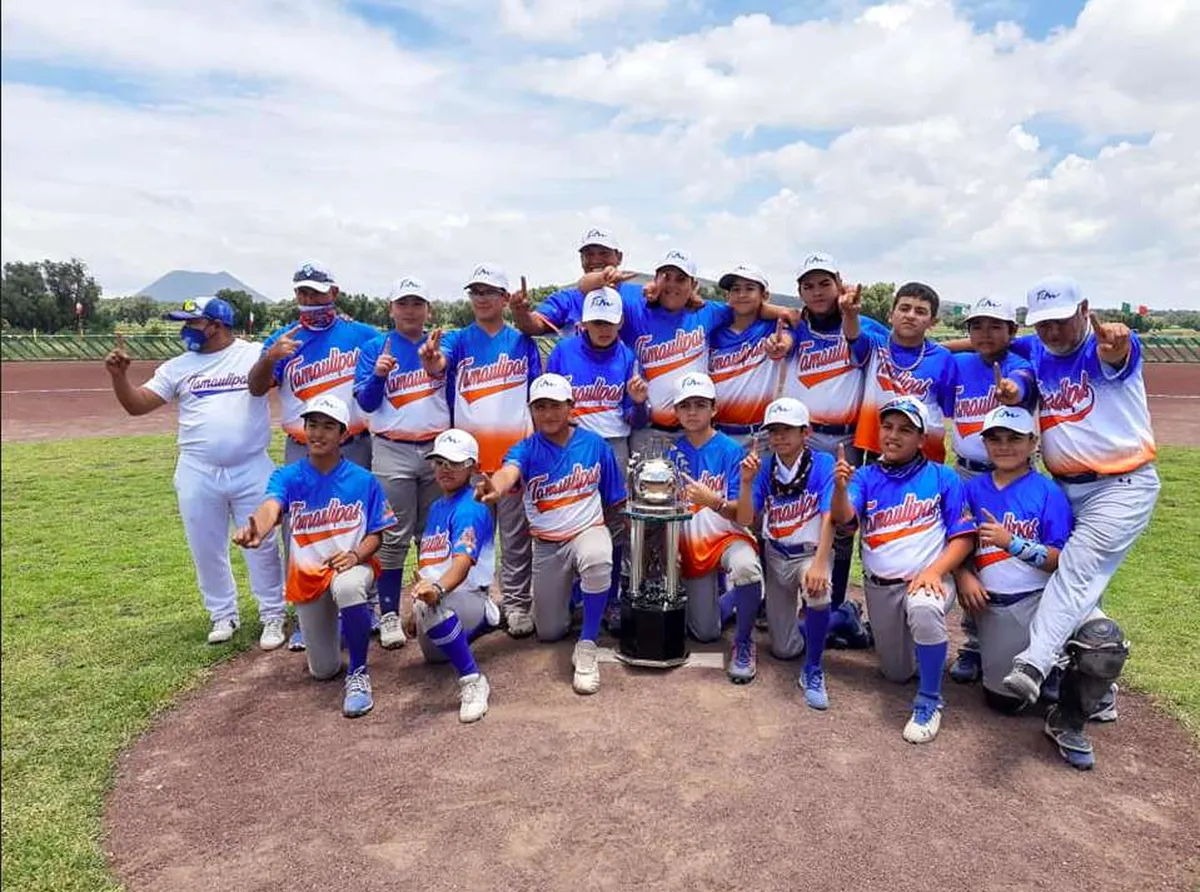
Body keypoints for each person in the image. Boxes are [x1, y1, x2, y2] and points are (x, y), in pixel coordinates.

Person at [993, 276, 1151, 744]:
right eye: (1043, 325)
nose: (1053, 332)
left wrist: (1118, 345)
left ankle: (1035, 663)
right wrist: (1015, 390)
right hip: (1065, 490)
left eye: (1061, 321)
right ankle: (1095, 689)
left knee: (1076, 572)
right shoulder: (1039, 350)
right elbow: (1011, 355)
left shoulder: (1105, 347)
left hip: (1120, 486)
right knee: (1077, 594)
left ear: (1084, 309)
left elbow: (1118, 356)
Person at [104, 297, 286, 649]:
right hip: (197, 469)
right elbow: (137, 405)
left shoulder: (252, 354)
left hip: (251, 465)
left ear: (216, 325)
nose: (185, 330)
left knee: (261, 542)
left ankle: (273, 614)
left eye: (192, 323)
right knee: (206, 546)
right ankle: (223, 614)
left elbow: (270, 380)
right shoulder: (178, 367)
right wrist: (119, 377)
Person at [952, 406, 1114, 769]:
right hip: (996, 605)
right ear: (985, 443)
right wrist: (964, 575)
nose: (1004, 446)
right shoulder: (971, 489)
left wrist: (1013, 543)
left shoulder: (1048, 492)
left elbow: (1059, 559)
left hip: (1042, 599)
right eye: (995, 438)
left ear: (1033, 444)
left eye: (1014, 439)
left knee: (1104, 638)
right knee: (1004, 702)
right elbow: (958, 542)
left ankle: (1066, 673)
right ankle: (1039, 663)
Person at [233, 395, 396, 718]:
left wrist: (355, 554)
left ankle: (359, 674)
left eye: (327, 426)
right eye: (312, 425)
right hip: (308, 577)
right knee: (322, 670)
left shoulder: (363, 480)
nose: (317, 434)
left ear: (343, 434)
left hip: (351, 567)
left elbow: (378, 533)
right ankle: (340, 626)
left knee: (348, 587)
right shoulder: (288, 476)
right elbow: (271, 507)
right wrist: (258, 529)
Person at [248, 261, 381, 651]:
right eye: (302, 293)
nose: (309, 300)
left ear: (334, 293)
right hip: (302, 445)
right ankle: (310, 611)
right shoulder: (283, 339)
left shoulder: (361, 334)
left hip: (356, 441)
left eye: (316, 293)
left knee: (358, 523)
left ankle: (364, 605)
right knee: (303, 528)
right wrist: (270, 357)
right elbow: (257, 388)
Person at [831, 396, 976, 743]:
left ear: (922, 438)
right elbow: (844, 520)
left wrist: (934, 571)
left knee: (925, 609)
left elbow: (963, 538)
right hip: (880, 586)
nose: (893, 435)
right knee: (897, 673)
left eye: (905, 429)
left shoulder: (943, 477)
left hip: (927, 580)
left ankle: (929, 701)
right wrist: (838, 489)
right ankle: (859, 620)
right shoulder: (865, 476)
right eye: (888, 426)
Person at [474, 374, 627, 694]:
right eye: (540, 407)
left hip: (588, 532)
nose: (548, 414)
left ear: (571, 407)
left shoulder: (595, 444)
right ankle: (572, 598)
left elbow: (614, 500)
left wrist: (615, 539)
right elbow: (508, 473)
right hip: (547, 547)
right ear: (531, 410)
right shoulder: (526, 448)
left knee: (598, 556)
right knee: (550, 631)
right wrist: (496, 487)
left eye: (556, 405)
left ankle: (587, 643)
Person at [418, 264, 542, 637]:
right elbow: (439, 363)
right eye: (475, 292)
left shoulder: (522, 342)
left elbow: (535, 394)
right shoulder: (459, 339)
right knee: (473, 535)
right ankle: (480, 601)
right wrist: (431, 360)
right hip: (467, 461)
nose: (481, 299)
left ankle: (518, 603)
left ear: (505, 299)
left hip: (512, 459)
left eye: (489, 292)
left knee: (516, 537)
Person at [783, 253, 885, 648]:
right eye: (808, 285)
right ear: (800, 292)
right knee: (792, 516)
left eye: (824, 283)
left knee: (842, 525)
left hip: (845, 439)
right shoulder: (791, 326)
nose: (816, 292)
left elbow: (913, 343)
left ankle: (836, 607)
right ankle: (782, 603)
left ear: (840, 283)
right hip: (800, 436)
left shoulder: (864, 326)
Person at [944, 295, 1038, 685]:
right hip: (966, 473)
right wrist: (962, 345)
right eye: (977, 326)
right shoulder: (961, 363)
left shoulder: (1020, 364)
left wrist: (1010, 392)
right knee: (970, 551)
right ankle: (973, 642)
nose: (985, 334)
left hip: (1013, 473)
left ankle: (1023, 642)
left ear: (1012, 331)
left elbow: (1021, 385)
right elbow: (931, 353)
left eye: (995, 326)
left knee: (1006, 555)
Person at [546, 287, 650, 630]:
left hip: (614, 444)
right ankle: (578, 591)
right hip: (572, 443)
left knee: (616, 521)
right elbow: (547, 403)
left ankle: (612, 599)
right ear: (584, 323)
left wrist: (636, 403)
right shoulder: (563, 352)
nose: (603, 328)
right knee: (572, 514)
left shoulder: (628, 356)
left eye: (609, 322)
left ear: (620, 321)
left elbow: (637, 420)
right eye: (596, 322)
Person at [354, 276, 448, 649]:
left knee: (433, 534)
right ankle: (391, 612)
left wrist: (436, 363)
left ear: (429, 309)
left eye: (417, 304)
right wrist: (379, 375)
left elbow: (447, 376)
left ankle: (430, 605)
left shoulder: (441, 343)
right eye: (403, 303)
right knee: (392, 537)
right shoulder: (374, 347)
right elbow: (366, 404)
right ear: (391, 308)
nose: (411, 310)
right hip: (391, 448)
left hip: (437, 449)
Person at [665, 373, 764, 684]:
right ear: (676, 412)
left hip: (725, 538)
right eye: (685, 406)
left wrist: (714, 501)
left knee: (747, 568)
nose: (692, 412)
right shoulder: (670, 453)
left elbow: (745, 516)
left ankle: (745, 641)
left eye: (700, 405)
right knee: (705, 633)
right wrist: (668, 551)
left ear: (714, 409)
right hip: (688, 545)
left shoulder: (731, 451)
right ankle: (733, 601)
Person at [743, 398, 837, 709]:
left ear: (805, 432)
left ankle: (813, 669)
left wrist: (821, 564)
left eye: (787, 430)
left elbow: (828, 517)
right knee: (783, 649)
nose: (779, 437)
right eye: (774, 431)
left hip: (808, 553)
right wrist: (745, 484)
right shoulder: (764, 467)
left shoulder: (822, 463)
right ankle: (840, 620)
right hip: (775, 554)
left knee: (818, 592)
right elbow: (745, 518)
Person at [410, 429, 499, 723]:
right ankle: (478, 625)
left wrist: (434, 592)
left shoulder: (471, 507)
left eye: (454, 462)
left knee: (431, 610)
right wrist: (414, 607)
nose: (444, 468)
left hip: (467, 593)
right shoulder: (436, 507)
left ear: (473, 466)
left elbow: (461, 564)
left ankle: (473, 680)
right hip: (445, 594)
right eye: (439, 462)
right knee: (434, 656)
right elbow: (430, 563)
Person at [853, 282, 956, 463]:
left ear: (933, 322)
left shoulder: (942, 358)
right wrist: (848, 311)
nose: (910, 316)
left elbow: (947, 405)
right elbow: (851, 331)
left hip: (925, 452)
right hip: (879, 448)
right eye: (904, 308)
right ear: (891, 315)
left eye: (920, 311)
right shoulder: (874, 345)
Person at [708, 263, 792, 450]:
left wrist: (782, 343)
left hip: (760, 436)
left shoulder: (772, 327)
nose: (742, 294)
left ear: (765, 295)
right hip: (717, 433)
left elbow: (794, 321)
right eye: (735, 289)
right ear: (727, 296)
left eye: (750, 289)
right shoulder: (713, 333)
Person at [510, 227, 644, 337]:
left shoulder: (640, 295)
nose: (596, 260)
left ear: (619, 257)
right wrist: (520, 313)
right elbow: (535, 326)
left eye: (603, 253)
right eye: (589, 254)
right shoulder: (566, 300)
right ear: (581, 259)